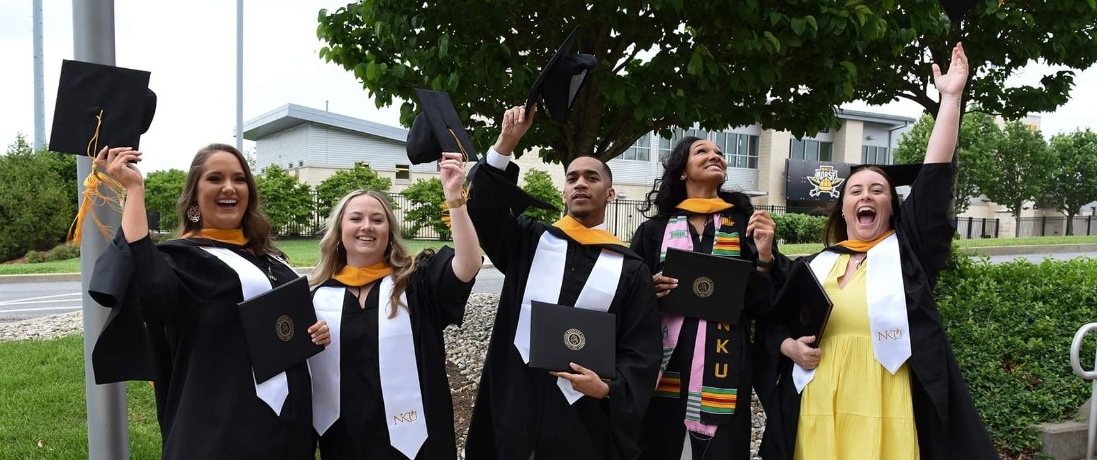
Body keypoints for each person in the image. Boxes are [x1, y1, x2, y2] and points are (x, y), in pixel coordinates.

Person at [755, 43, 998, 459]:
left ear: (891, 206)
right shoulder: (816, 266)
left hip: (888, 396)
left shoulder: (908, 255)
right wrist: (788, 347)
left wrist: (951, 98)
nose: (866, 195)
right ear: (844, 206)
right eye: (856, 190)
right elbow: (773, 322)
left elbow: (934, 178)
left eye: (877, 190)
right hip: (820, 399)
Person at [87, 143, 330, 459]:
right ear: (194, 197)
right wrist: (134, 190)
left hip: (289, 427)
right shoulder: (183, 259)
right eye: (215, 178)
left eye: (239, 179)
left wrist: (314, 334)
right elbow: (152, 292)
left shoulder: (271, 257)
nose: (229, 187)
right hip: (224, 429)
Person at [463, 105, 663, 460]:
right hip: (516, 398)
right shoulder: (529, 241)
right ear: (563, 194)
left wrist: (608, 388)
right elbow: (484, 212)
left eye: (592, 177)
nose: (581, 183)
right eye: (572, 179)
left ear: (610, 194)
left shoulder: (631, 269)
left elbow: (641, 349)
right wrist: (505, 144)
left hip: (582, 415)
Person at [306, 151, 481, 460]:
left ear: (389, 232)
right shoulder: (317, 297)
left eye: (377, 219)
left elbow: (468, 264)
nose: (367, 226)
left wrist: (454, 197)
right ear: (339, 231)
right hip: (346, 440)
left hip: (415, 440)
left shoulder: (415, 284)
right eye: (356, 218)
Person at [629, 135, 780, 459]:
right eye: (702, 151)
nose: (715, 156)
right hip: (664, 369)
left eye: (720, 153)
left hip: (725, 366)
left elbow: (761, 305)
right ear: (682, 171)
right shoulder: (654, 230)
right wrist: (648, 291)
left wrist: (765, 258)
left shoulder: (744, 223)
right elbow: (627, 297)